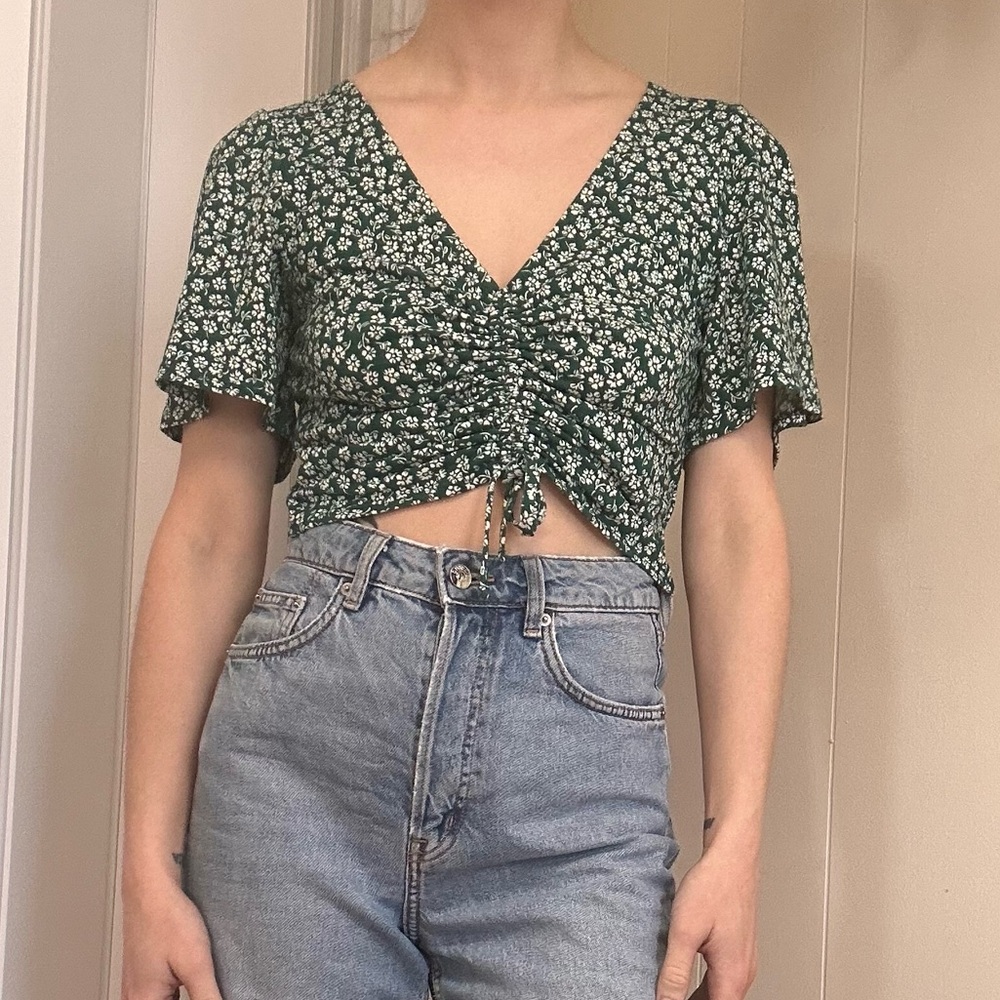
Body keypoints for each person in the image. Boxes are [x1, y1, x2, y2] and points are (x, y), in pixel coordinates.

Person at [121, 3, 823, 999]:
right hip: (299, 774)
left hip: (578, 798)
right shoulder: (275, 164)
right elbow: (207, 524)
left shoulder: (722, 166)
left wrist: (738, 838)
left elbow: (737, 522)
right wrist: (146, 862)